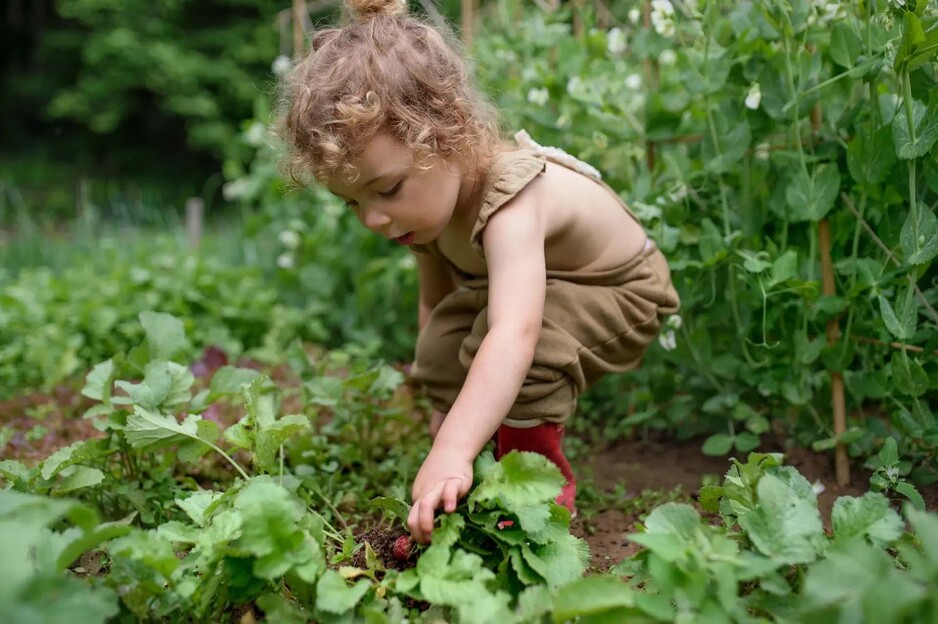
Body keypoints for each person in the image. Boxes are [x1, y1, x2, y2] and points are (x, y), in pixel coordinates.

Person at [278, 0, 680, 545]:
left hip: (623, 292)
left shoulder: (511, 199)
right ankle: (486, 453)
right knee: (444, 344)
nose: (373, 218)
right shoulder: (421, 214)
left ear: (448, 135)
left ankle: (531, 497)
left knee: (528, 351)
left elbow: (517, 332)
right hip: (537, 296)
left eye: (387, 189)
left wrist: (449, 451)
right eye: (350, 202)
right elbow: (436, 310)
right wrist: (447, 413)